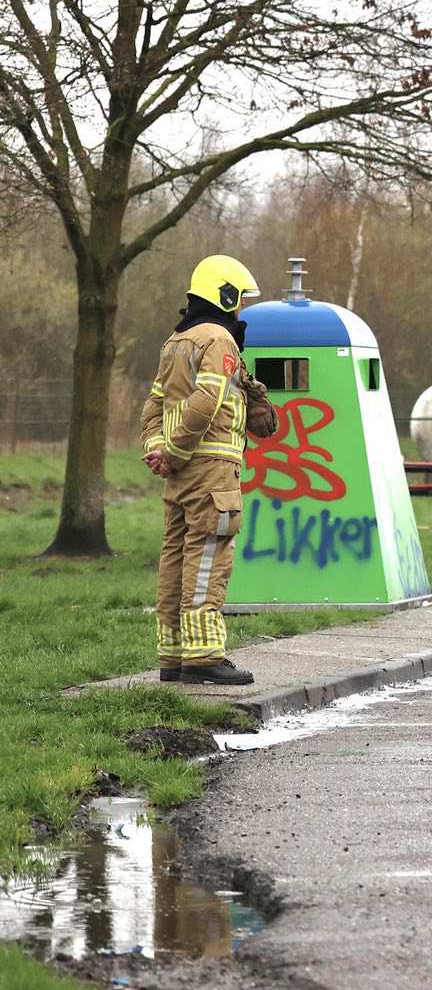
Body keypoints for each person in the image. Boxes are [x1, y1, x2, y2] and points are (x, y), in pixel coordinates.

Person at [141, 255, 274, 686]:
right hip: (212, 472)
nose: (241, 313)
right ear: (226, 294)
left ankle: (174, 655)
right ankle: (203, 657)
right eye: (239, 302)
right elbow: (206, 401)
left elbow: (153, 406)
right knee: (208, 557)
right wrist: (177, 451)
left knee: (176, 557)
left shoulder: (174, 342)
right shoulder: (219, 340)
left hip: (179, 476)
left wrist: (159, 449)